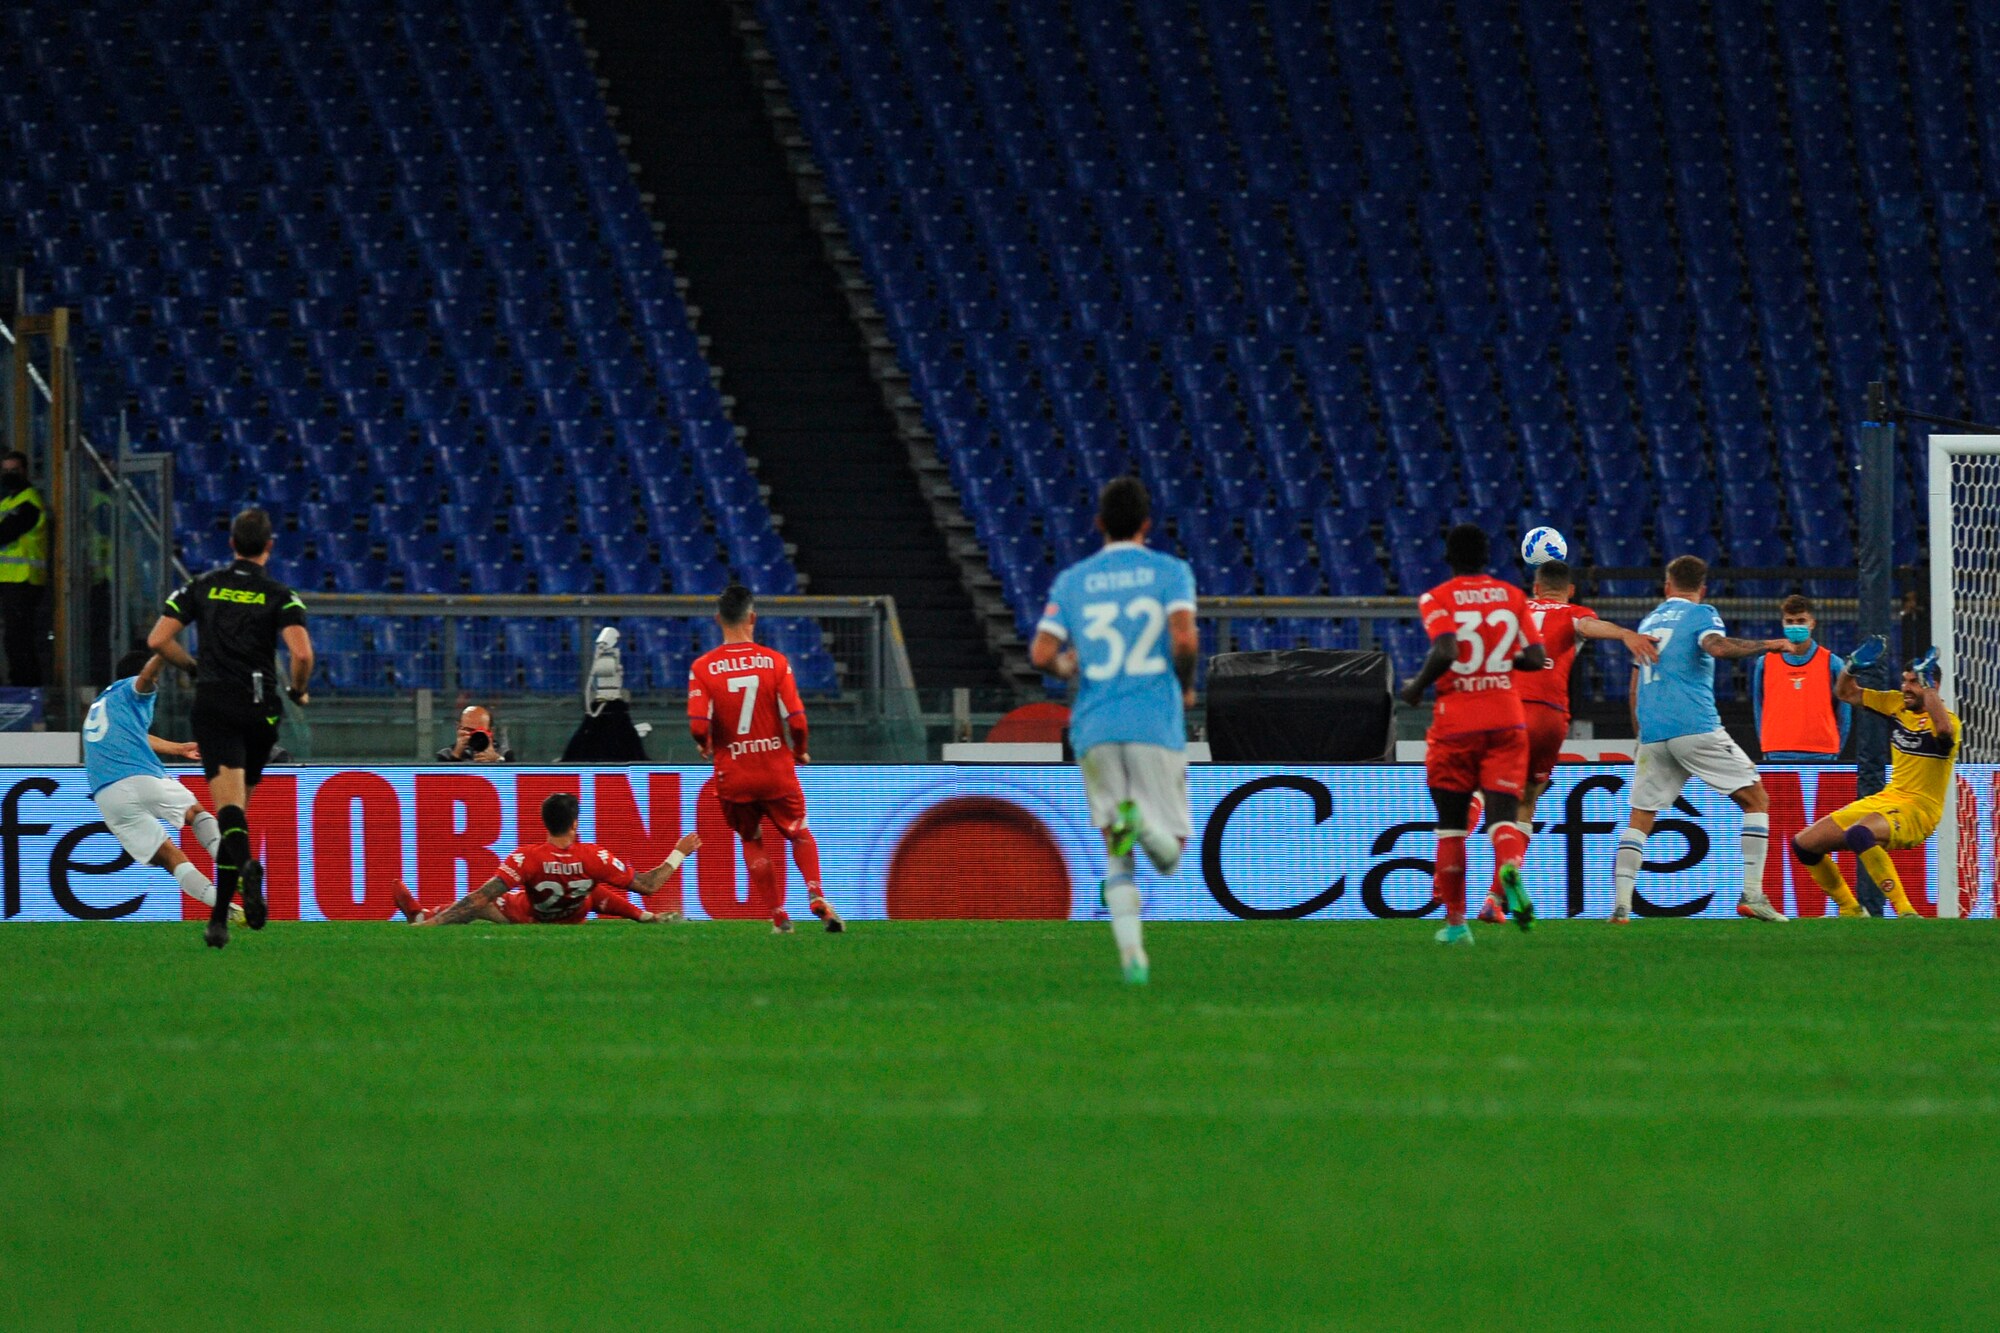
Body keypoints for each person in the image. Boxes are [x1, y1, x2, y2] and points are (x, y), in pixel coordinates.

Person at [1029, 476, 1198, 984]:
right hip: (1153, 721)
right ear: (1147, 523)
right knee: (1169, 859)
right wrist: (1186, 686)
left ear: (1099, 523)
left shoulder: (1074, 580)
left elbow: (1041, 653)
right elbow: (1184, 640)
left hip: (1094, 725)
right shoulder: (1170, 572)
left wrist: (1067, 666)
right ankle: (1141, 824)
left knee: (1116, 852)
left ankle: (1133, 958)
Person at [147, 508, 314, 949]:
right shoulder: (281, 595)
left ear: (232, 544)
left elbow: (158, 640)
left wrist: (193, 667)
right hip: (261, 710)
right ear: (269, 546)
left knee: (229, 814)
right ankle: (218, 920)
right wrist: (298, 691)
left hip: (217, 705)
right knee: (238, 812)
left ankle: (247, 869)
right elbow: (301, 655)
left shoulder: (202, 586)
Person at [1474, 559, 1659, 923]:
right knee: (1527, 800)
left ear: (1535, 588)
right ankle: (1495, 896)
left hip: (1507, 707)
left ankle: (1461, 835)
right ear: (1571, 590)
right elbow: (1589, 626)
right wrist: (1624, 634)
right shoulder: (1573, 613)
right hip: (1549, 716)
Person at [1614, 555, 1793, 923]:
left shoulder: (1649, 621)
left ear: (1667, 586)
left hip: (1652, 732)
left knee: (1641, 816)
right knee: (1756, 799)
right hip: (1694, 725)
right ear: (1703, 589)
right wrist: (1768, 644)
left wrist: (1641, 735)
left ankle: (1621, 906)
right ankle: (1753, 894)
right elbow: (1718, 647)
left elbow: (1633, 687)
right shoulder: (1701, 613)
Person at [1398, 523, 1547, 944]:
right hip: (1506, 721)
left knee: (1452, 827)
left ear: (1448, 557)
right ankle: (1509, 869)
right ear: (1487, 557)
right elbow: (1536, 658)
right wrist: (1500, 662)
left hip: (1456, 725)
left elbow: (1446, 649)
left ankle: (1456, 924)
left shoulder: (1436, 598)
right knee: (1503, 818)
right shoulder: (1513, 597)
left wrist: (1416, 686)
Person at [687, 584, 841, 935]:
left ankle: (778, 915)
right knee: (799, 833)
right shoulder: (775, 662)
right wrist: (799, 749)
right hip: (775, 770)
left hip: (734, 774)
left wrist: (704, 742)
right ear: (753, 618)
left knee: (751, 840)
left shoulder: (703, 667)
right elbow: (797, 721)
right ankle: (815, 893)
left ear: (718, 619)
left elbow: (697, 725)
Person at [1789, 643, 1956, 918]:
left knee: (1859, 834)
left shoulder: (1947, 720)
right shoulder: (1895, 704)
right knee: (1804, 844)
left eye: (1914, 682)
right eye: (1905, 681)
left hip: (1919, 810)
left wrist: (1927, 689)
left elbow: (1944, 732)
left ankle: (1906, 912)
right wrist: (1850, 667)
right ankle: (1850, 909)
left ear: (1932, 685)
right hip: (1887, 799)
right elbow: (1845, 693)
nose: (1906, 688)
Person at [83, 649, 242, 924]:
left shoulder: (102, 703)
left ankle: (223, 906)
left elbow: (136, 735)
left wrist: (178, 748)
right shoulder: (132, 689)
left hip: (107, 797)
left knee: (169, 857)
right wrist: (162, 652)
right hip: (140, 776)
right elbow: (146, 677)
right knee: (194, 813)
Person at [394, 791, 696, 925]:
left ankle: (424, 916)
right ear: (574, 823)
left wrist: (434, 925)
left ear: (545, 823)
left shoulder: (527, 857)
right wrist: (679, 852)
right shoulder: (595, 856)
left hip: (530, 915)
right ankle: (646, 916)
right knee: (590, 889)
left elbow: (480, 897)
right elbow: (649, 885)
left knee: (483, 903)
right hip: (573, 914)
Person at [1750, 594, 1851, 762]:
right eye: (1789, 621)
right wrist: (1766, 744)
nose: (1795, 626)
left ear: (1812, 623)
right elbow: (1758, 707)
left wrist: (1835, 749)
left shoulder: (1832, 663)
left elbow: (1844, 712)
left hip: (1822, 752)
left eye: (1801, 621)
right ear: (1782, 623)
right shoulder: (1765, 663)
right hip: (1777, 751)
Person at [0, 450, 48, 686]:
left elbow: (6, 532)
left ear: (25, 471)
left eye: (14, 470)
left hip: (25, 580)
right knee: (13, 638)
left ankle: (26, 688)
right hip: (9, 579)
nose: (9, 474)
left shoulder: (30, 502)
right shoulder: (6, 503)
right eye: (6, 470)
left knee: (19, 638)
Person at [435, 704, 513, 762]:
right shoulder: (445, 755)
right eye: (469, 730)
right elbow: (445, 778)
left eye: (480, 731)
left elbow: (512, 777)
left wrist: (497, 759)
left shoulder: (505, 754)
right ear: (458, 728)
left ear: (491, 731)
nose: (475, 735)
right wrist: (456, 755)